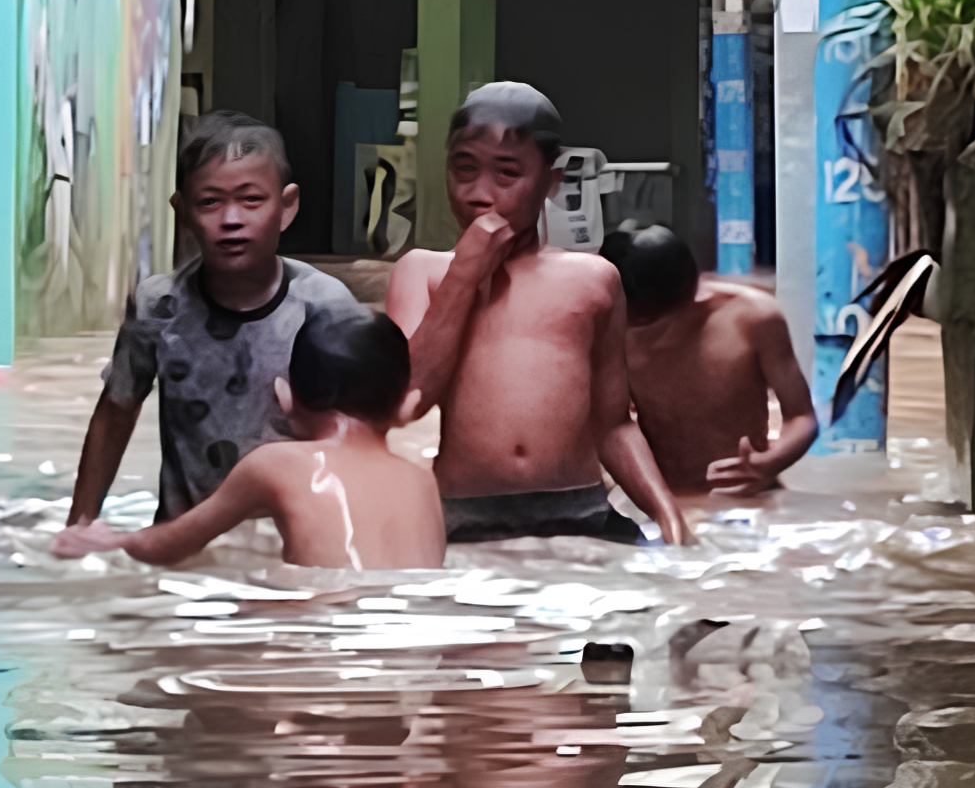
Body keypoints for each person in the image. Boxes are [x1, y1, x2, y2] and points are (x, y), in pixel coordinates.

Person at [384, 82, 689, 544]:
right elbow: (406, 400)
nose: (478, 193)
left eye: (506, 174)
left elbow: (613, 424)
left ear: (551, 180)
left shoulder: (593, 279)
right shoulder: (421, 272)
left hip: (580, 511)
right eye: (463, 169)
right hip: (462, 515)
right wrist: (464, 277)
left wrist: (669, 514)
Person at [54, 111, 363, 556]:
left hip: (293, 546)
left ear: (287, 206)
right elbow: (115, 412)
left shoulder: (323, 306)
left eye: (251, 200)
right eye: (210, 202)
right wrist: (81, 524)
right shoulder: (158, 306)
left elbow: (357, 433)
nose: (231, 219)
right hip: (182, 545)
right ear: (182, 211)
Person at [52, 311, 445, 569]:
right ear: (407, 405)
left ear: (285, 399)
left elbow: (170, 545)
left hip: (322, 651)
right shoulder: (423, 480)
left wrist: (112, 540)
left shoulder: (276, 464)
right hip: (412, 648)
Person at [600, 226, 817, 497]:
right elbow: (611, 428)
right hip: (664, 498)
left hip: (746, 498)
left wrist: (768, 464)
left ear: (693, 287)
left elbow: (802, 417)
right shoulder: (609, 331)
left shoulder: (752, 317)